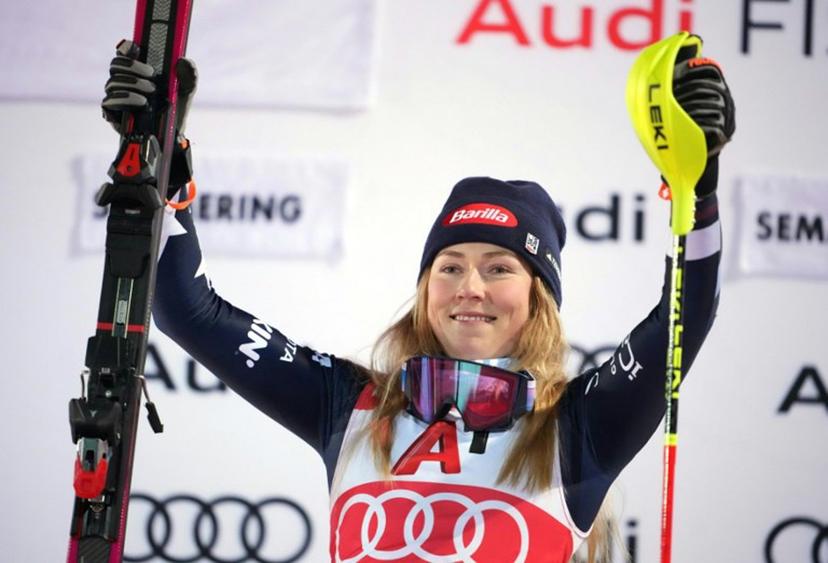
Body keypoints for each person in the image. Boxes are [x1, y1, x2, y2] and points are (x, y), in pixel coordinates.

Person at [103, 37, 734, 562]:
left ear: (539, 298)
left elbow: (685, 317)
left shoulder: (579, 426)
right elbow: (187, 311)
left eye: (499, 268)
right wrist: (164, 172)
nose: (470, 288)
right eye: (449, 267)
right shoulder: (350, 406)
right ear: (425, 289)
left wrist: (696, 188)